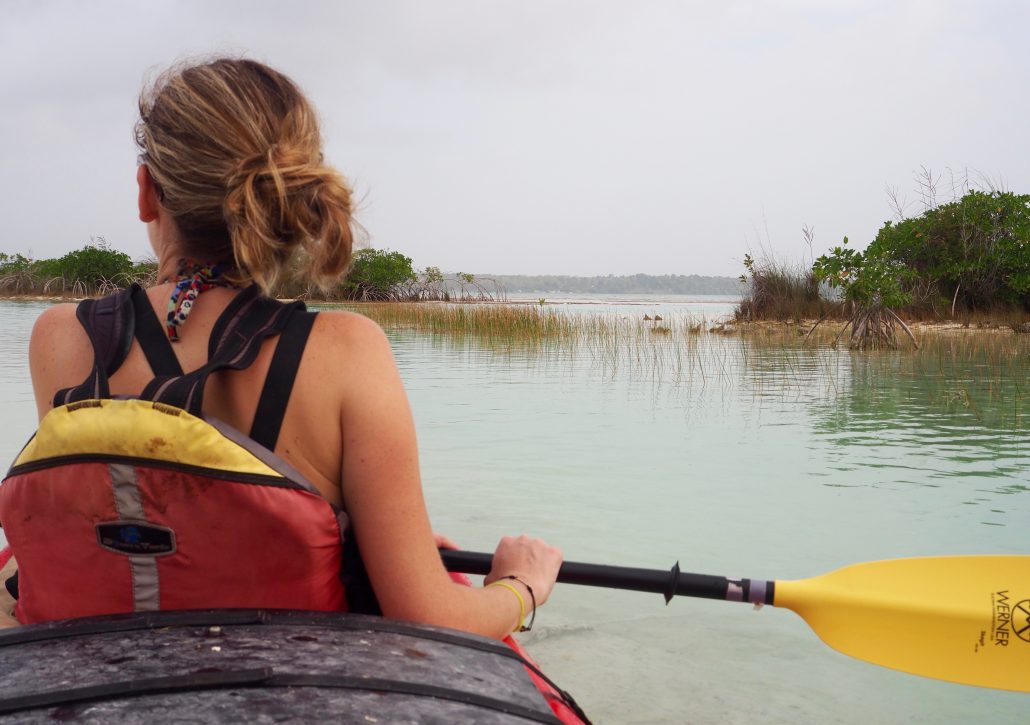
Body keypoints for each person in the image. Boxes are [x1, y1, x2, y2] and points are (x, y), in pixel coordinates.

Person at [0, 58, 561, 638]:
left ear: (146, 192)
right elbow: (428, 619)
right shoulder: (347, 351)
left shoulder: (62, 338)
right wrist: (522, 586)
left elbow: (124, 521)